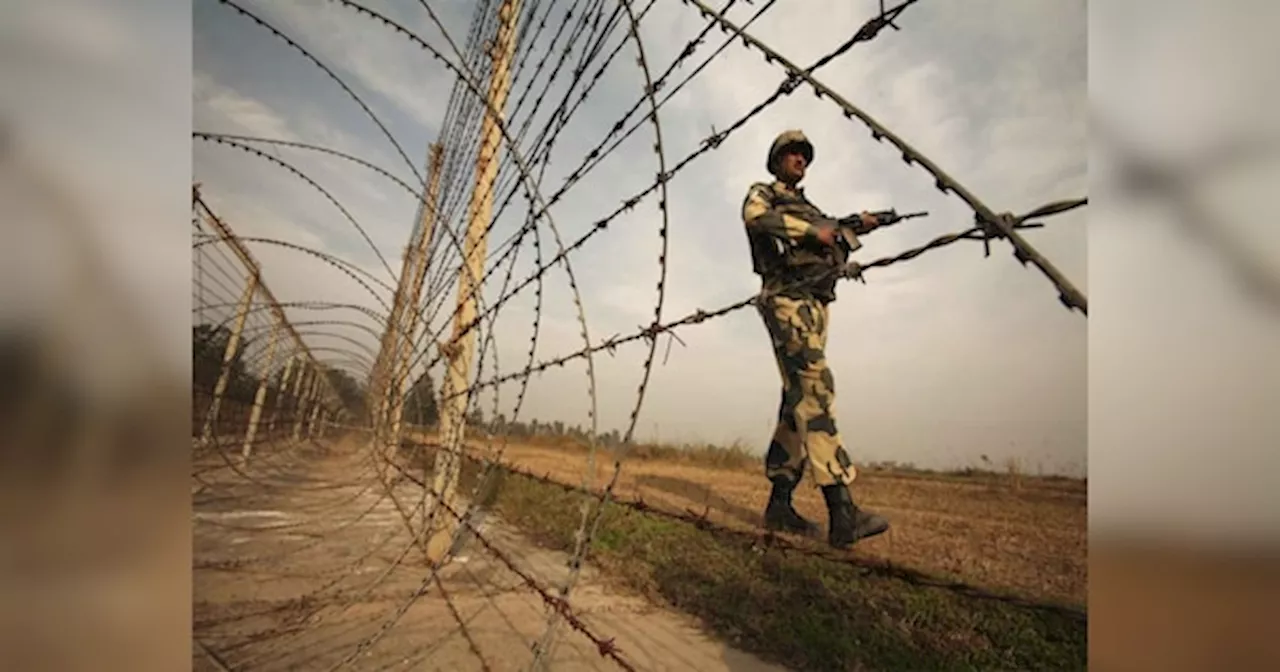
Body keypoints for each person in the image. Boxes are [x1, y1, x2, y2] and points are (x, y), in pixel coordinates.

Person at [740, 129, 890, 549]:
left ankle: (780, 504)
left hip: (816, 303)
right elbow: (756, 219)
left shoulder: (812, 209)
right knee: (817, 388)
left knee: (797, 400)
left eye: (804, 154)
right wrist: (816, 232)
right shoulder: (764, 194)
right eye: (791, 153)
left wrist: (856, 228)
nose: (799, 159)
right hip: (785, 298)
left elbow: (829, 241)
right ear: (777, 160)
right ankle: (842, 510)